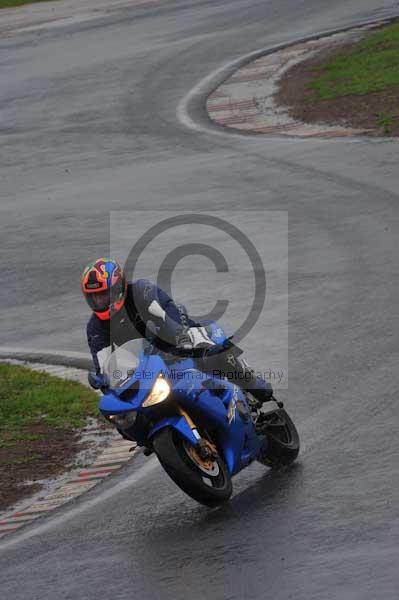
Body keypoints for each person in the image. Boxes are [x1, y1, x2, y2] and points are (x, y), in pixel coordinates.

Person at [81, 258, 273, 407]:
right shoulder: (95, 327)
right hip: (144, 367)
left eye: (103, 294)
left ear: (117, 288)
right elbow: (103, 364)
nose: (99, 301)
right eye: (94, 297)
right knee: (123, 409)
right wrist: (103, 380)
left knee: (209, 352)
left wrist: (180, 335)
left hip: (176, 339)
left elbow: (166, 312)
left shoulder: (141, 291)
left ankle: (251, 383)